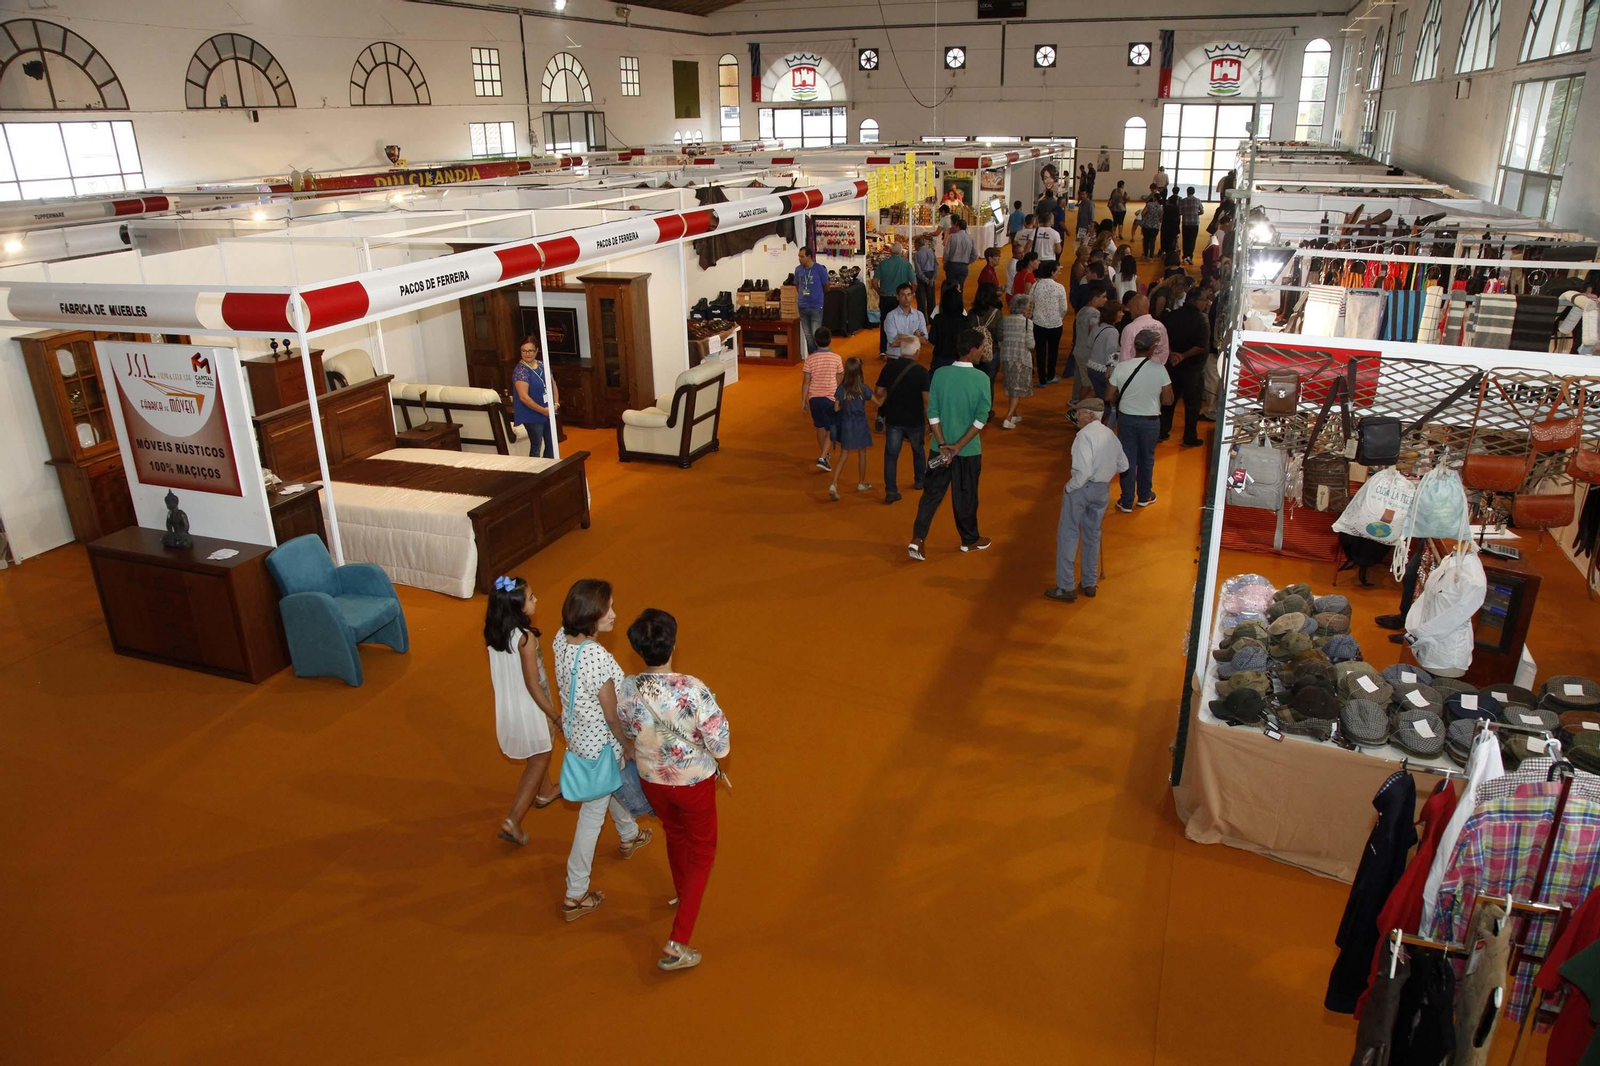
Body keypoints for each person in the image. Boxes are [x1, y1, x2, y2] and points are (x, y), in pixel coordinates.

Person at [616, 609, 730, 973]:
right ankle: (678, 941)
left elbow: (629, 729)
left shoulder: (629, 689)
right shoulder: (693, 689)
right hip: (693, 784)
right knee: (703, 851)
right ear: (673, 644)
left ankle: (684, 893)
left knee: (675, 833)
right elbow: (722, 745)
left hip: (653, 781)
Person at [552, 579, 652, 923]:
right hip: (601, 744)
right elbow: (611, 713)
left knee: (607, 786)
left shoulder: (559, 639)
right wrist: (628, 745)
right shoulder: (596, 656)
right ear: (591, 615)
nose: (614, 614)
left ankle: (629, 834)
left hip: (577, 738)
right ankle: (575, 893)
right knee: (591, 816)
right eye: (607, 609)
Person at [485, 574, 563, 846]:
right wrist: (554, 713)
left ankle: (545, 791)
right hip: (531, 706)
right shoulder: (525, 639)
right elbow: (532, 683)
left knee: (540, 747)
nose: (535, 600)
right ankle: (514, 820)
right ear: (518, 609)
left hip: (508, 705)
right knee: (540, 756)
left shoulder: (495, 634)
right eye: (531, 598)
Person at [908, 328, 992, 560]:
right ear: (973, 349)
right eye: (981, 348)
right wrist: (959, 446)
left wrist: (944, 444)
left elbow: (932, 413)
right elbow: (981, 419)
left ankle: (918, 539)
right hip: (968, 452)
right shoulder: (982, 379)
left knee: (931, 495)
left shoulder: (940, 374)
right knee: (966, 496)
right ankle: (969, 540)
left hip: (938, 450)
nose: (982, 352)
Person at [1046, 398, 1128, 602]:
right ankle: (1089, 582)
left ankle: (1066, 587)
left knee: (1068, 534)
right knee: (1093, 534)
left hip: (1082, 489)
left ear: (1091, 415)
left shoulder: (1083, 436)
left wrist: (1069, 487)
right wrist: (1106, 471)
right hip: (1102, 490)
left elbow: (1083, 473)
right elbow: (1123, 465)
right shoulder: (1111, 434)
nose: (1076, 416)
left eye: (1079, 412)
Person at [1108, 329, 1174, 513]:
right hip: (1150, 421)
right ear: (1152, 348)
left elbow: (1108, 394)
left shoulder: (1122, 367)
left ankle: (1126, 500)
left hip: (1127, 419)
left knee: (1127, 458)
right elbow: (1168, 400)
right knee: (1147, 458)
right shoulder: (1160, 370)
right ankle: (1145, 495)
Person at [875, 333, 931, 504]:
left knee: (891, 455)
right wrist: (929, 421)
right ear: (916, 352)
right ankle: (920, 481)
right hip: (914, 420)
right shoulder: (922, 372)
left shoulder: (889, 368)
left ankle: (891, 490)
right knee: (918, 451)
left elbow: (878, 392)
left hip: (893, 419)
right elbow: (926, 401)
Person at [1160, 286, 1210, 446]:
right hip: (1193, 369)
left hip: (1172, 366)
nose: (1206, 303)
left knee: (1168, 401)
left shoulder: (1171, 316)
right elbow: (1201, 346)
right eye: (1204, 300)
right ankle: (1189, 437)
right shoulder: (1202, 319)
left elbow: (1163, 339)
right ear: (1196, 301)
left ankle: (1162, 432)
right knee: (1192, 405)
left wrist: (1173, 354)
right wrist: (1183, 356)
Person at [826, 356, 874, 500]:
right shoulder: (863, 389)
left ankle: (834, 484)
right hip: (860, 424)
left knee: (843, 455)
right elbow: (878, 401)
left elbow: (836, 408)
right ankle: (861, 482)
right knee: (862, 453)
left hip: (846, 423)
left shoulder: (841, 388)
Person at [800, 327, 845, 471]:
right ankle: (822, 457)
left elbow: (806, 381)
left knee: (819, 427)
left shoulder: (810, 359)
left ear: (815, 341)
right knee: (832, 428)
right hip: (830, 398)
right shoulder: (837, 358)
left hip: (814, 399)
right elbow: (840, 380)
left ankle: (824, 456)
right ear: (830, 340)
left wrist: (803, 400)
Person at [512, 337, 559, 458]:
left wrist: (556, 404)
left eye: (530, 351)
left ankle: (549, 470)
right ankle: (536, 473)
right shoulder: (520, 371)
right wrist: (543, 411)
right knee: (536, 445)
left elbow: (553, 384)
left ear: (536, 350)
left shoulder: (543, 365)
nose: (527, 354)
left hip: (548, 411)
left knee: (551, 443)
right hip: (532, 414)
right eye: (524, 351)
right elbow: (523, 397)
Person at [998, 293, 1035, 429]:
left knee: (1011, 387)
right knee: (1017, 390)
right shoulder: (1028, 323)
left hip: (1007, 357)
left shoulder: (1004, 320)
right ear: (1024, 309)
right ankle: (1008, 418)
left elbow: (1000, 340)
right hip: (1021, 358)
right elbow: (1030, 344)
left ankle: (1014, 414)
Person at [872, 242, 916, 355]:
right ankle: (902, 348)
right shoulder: (906, 265)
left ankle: (883, 349)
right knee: (901, 323)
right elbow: (914, 283)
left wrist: (879, 291)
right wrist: (910, 294)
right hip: (901, 299)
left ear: (890, 252)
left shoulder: (883, 264)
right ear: (901, 252)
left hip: (885, 297)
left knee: (885, 322)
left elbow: (874, 282)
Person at [1030, 261, 1068, 386]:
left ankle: (1042, 380)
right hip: (1055, 325)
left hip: (1038, 324)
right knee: (1053, 351)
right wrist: (1058, 317)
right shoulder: (1059, 287)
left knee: (1040, 352)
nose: (1060, 273)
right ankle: (1050, 375)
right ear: (1052, 272)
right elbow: (1064, 308)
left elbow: (1030, 302)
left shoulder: (1035, 286)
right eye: (1058, 271)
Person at [1085, 299, 1124, 417]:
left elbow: (1089, 343)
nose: (1122, 314)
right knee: (1108, 402)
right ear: (1114, 314)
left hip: (1092, 367)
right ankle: (1101, 423)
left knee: (1099, 398)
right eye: (1120, 311)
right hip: (1103, 370)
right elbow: (1112, 354)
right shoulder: (1113, 332)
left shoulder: (1098, 325)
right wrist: (1110, 372)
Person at [1071, 286, 1108, 401]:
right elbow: (1093, 333)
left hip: (1078, 350)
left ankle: (1077, 403)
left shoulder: (1082, 310)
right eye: (1103, 297)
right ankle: (1079, 409)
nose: (1105, 300)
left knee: (1083, 381)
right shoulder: (1095, 314)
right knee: (1089, 384)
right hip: (1087, 353)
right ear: (1095, 298)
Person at [969, 282, 1004, 387]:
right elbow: (1000, 336)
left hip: (974, 353)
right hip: (992, 353)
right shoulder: (997, 313)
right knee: (989, 385)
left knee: (975, 385)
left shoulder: (971, 313)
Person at [1118, 293, 1170, 365]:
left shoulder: (1130, 328)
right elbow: (1165, 350)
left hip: (1134, 371)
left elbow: (1125, 356)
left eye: (1131, 307)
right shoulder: (1161, 326)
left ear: (1137, 308)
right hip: (1156, 370)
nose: (1129, 310)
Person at [929, 284, 970, 374]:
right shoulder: (965, 321)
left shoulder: (938, 318)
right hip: (959, 361)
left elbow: (932, 339)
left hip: (940, 359)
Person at [794, 245, 829, 349]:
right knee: (808, 336)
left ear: (809, 256)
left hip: (816, 306)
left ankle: (819, 357)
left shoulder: (819, 269)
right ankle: (813, 358)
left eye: (802, 256)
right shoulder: (798, 270)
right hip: (802, 306)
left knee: (816, 335)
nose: (799, 259)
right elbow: (797, 285)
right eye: (799, 256)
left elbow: (826, 286)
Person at [883, 281, 928, 360]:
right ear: (897, 297)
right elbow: (893, 343)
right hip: (895, 358)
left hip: (912, 358)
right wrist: (915, 337)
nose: (907, 298)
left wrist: (902, 337)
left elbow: (925, 340)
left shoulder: (919, 315)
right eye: (903, 295)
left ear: (912, 296)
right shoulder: (891, 317)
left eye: (909, 294)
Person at [943, 216, 976, 290]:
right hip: (963, 266)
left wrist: (945, 262)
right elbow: (975, 254)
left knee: (950, 287)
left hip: (952, 265)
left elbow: (946, 252)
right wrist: (968, 262)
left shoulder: (952, 237)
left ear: (958, 227)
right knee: (960, 287)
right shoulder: (970, 238)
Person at [913, 235, 938, 317]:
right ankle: (932, 317)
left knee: (921, 299)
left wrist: (926, 280)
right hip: (931, 275)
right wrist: (933, 278)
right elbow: (936, 266)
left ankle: (923, 318)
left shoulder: (917, 255)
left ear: (917, 244)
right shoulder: (931, 252)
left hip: (921, 278)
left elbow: (918, 270)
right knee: (931, 298)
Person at [1180, 187, 1203, 264]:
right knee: (1192, 240)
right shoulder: (1198, 200)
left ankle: (1185, 255)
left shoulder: (1183, 201)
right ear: (1194, 192)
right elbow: (1202, 211)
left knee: (1185, 240)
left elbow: (1180, 212)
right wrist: (1196, 214)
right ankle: (1190, 256)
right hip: (1194, 223)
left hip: (1186, 223)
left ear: (1187, 192)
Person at [1159, 190, 1181, 264]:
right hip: (1174, 227)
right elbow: (1178, 219)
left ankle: (1163, 251)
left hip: (1165, 225)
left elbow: (1161, 217)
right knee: (1172, 240)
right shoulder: (1177, 208)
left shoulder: (1166, 207)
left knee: (1164, 239)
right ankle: (1170, 253)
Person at [1139, 194, 1162, 261]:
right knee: (1152, 241)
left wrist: (1145, 218)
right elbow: (1161, 218)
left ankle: (1145, 255)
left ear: (1154, 198)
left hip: (1146, 225)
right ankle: (1151, 256)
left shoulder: (1149, 204)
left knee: (1146, 240)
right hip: (1155, 226)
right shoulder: (1160, 207)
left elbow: (1143, 213)